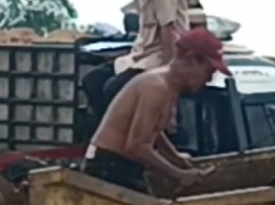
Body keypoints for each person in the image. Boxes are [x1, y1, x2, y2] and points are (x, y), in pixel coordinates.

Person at [85, 28, 231, 193]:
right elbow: (136, 146)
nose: (209, 79)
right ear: (191, 60)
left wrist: (177, 159)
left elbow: (154, 130)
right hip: (108, 166)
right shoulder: (156, 87)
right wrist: (178, 174)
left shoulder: (170, 87)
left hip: (122, 165)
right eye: (209, 71)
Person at [82, 0, 191, 115]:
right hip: (141, 56)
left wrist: (167, 71)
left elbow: (168, 28)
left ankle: (125, 129)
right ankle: (107, 128)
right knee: (92, 81)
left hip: (158, 58)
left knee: (114, 88)